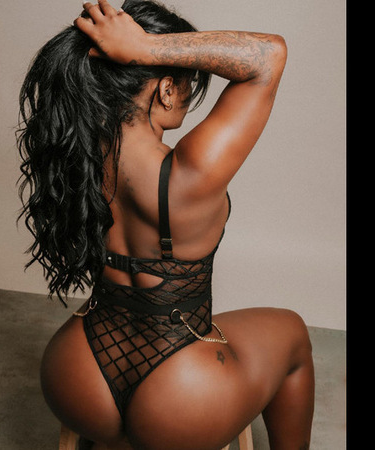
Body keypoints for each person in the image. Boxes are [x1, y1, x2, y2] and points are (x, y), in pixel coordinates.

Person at [17, 1, 315, 449]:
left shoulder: (72, 154)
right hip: (179, 400)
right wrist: (146, 48)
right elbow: (269, 55)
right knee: (291, 331)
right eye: (188, 84)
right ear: (167, 90)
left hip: (76, 378)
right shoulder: (189, 174)